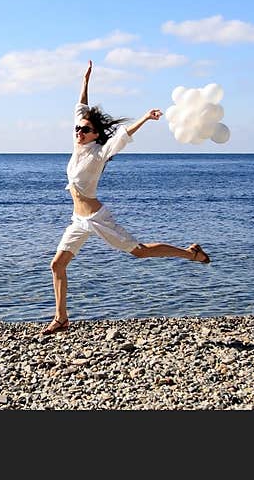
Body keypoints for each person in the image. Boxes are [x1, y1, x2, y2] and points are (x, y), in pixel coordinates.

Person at [41, 60, 211, 336]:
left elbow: (122, 135)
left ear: (95, 135)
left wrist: (144, 118)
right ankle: (61, 319)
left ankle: (191, 254)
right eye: (78, 129)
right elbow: (81, 108)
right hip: (78, 220)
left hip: (97, 218)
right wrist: (85, 80)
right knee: (57, 264)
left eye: (85, 130)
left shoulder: (99, 152)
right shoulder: (77, 145)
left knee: (140, 252)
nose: (79, 132)